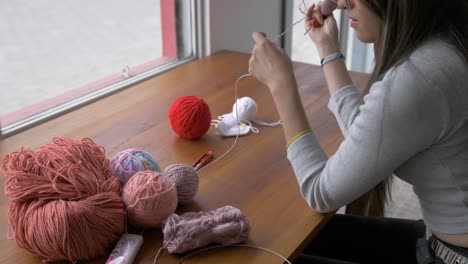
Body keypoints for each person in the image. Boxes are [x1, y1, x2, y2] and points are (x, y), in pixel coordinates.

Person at [248, 0, 468, 263]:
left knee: (266, 256)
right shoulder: (444, 46)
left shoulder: (420, 76)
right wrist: (327, 49)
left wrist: (280, 85)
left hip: (450, 255)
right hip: (440, 241)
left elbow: (321, 192)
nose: (340, 3)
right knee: (273, 242)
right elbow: (370, 137)